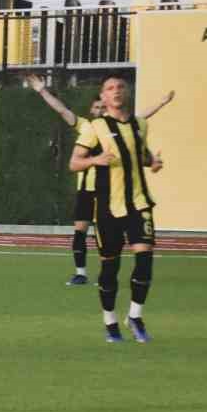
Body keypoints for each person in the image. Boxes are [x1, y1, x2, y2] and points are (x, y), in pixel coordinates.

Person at [26, 73, 173, 286]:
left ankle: (107, 275)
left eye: (101, 108)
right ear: (92, 109)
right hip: (87, 191)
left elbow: (137, 130)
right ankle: (80, 272)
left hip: (110, 192)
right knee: (80, 232)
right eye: (96, 108)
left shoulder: (119, 127)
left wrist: (151, 160)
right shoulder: (87, 126)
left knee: (109, 237)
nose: (100, 111)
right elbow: (61, 110)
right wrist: (42, 90)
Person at [68, 74, 163, 343]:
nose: (116, 91)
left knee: (144, 259)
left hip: (140, 203)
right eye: (110, 88)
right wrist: (96, 159)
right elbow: (74, 163)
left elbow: (139, 155)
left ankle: (135, 316)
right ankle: (110, 321)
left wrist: (152, 162)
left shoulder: (140, 124)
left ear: (127, 92)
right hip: (108, 207)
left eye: (120, 87)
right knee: (110, 268)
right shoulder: (94, 127)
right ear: (104, 97)